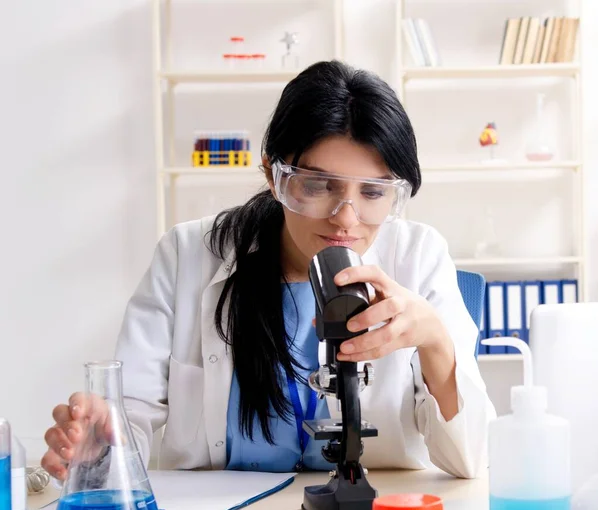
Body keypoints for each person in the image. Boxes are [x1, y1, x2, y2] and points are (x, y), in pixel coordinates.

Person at [42, 60, 496, 481]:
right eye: (319, 185)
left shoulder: (419, 256)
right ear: (273, 176)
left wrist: (436, 341)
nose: (345, 217)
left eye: (373, 193)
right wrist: (101, 445)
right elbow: (130, 420)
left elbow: (472, 459)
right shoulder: (187, 256)